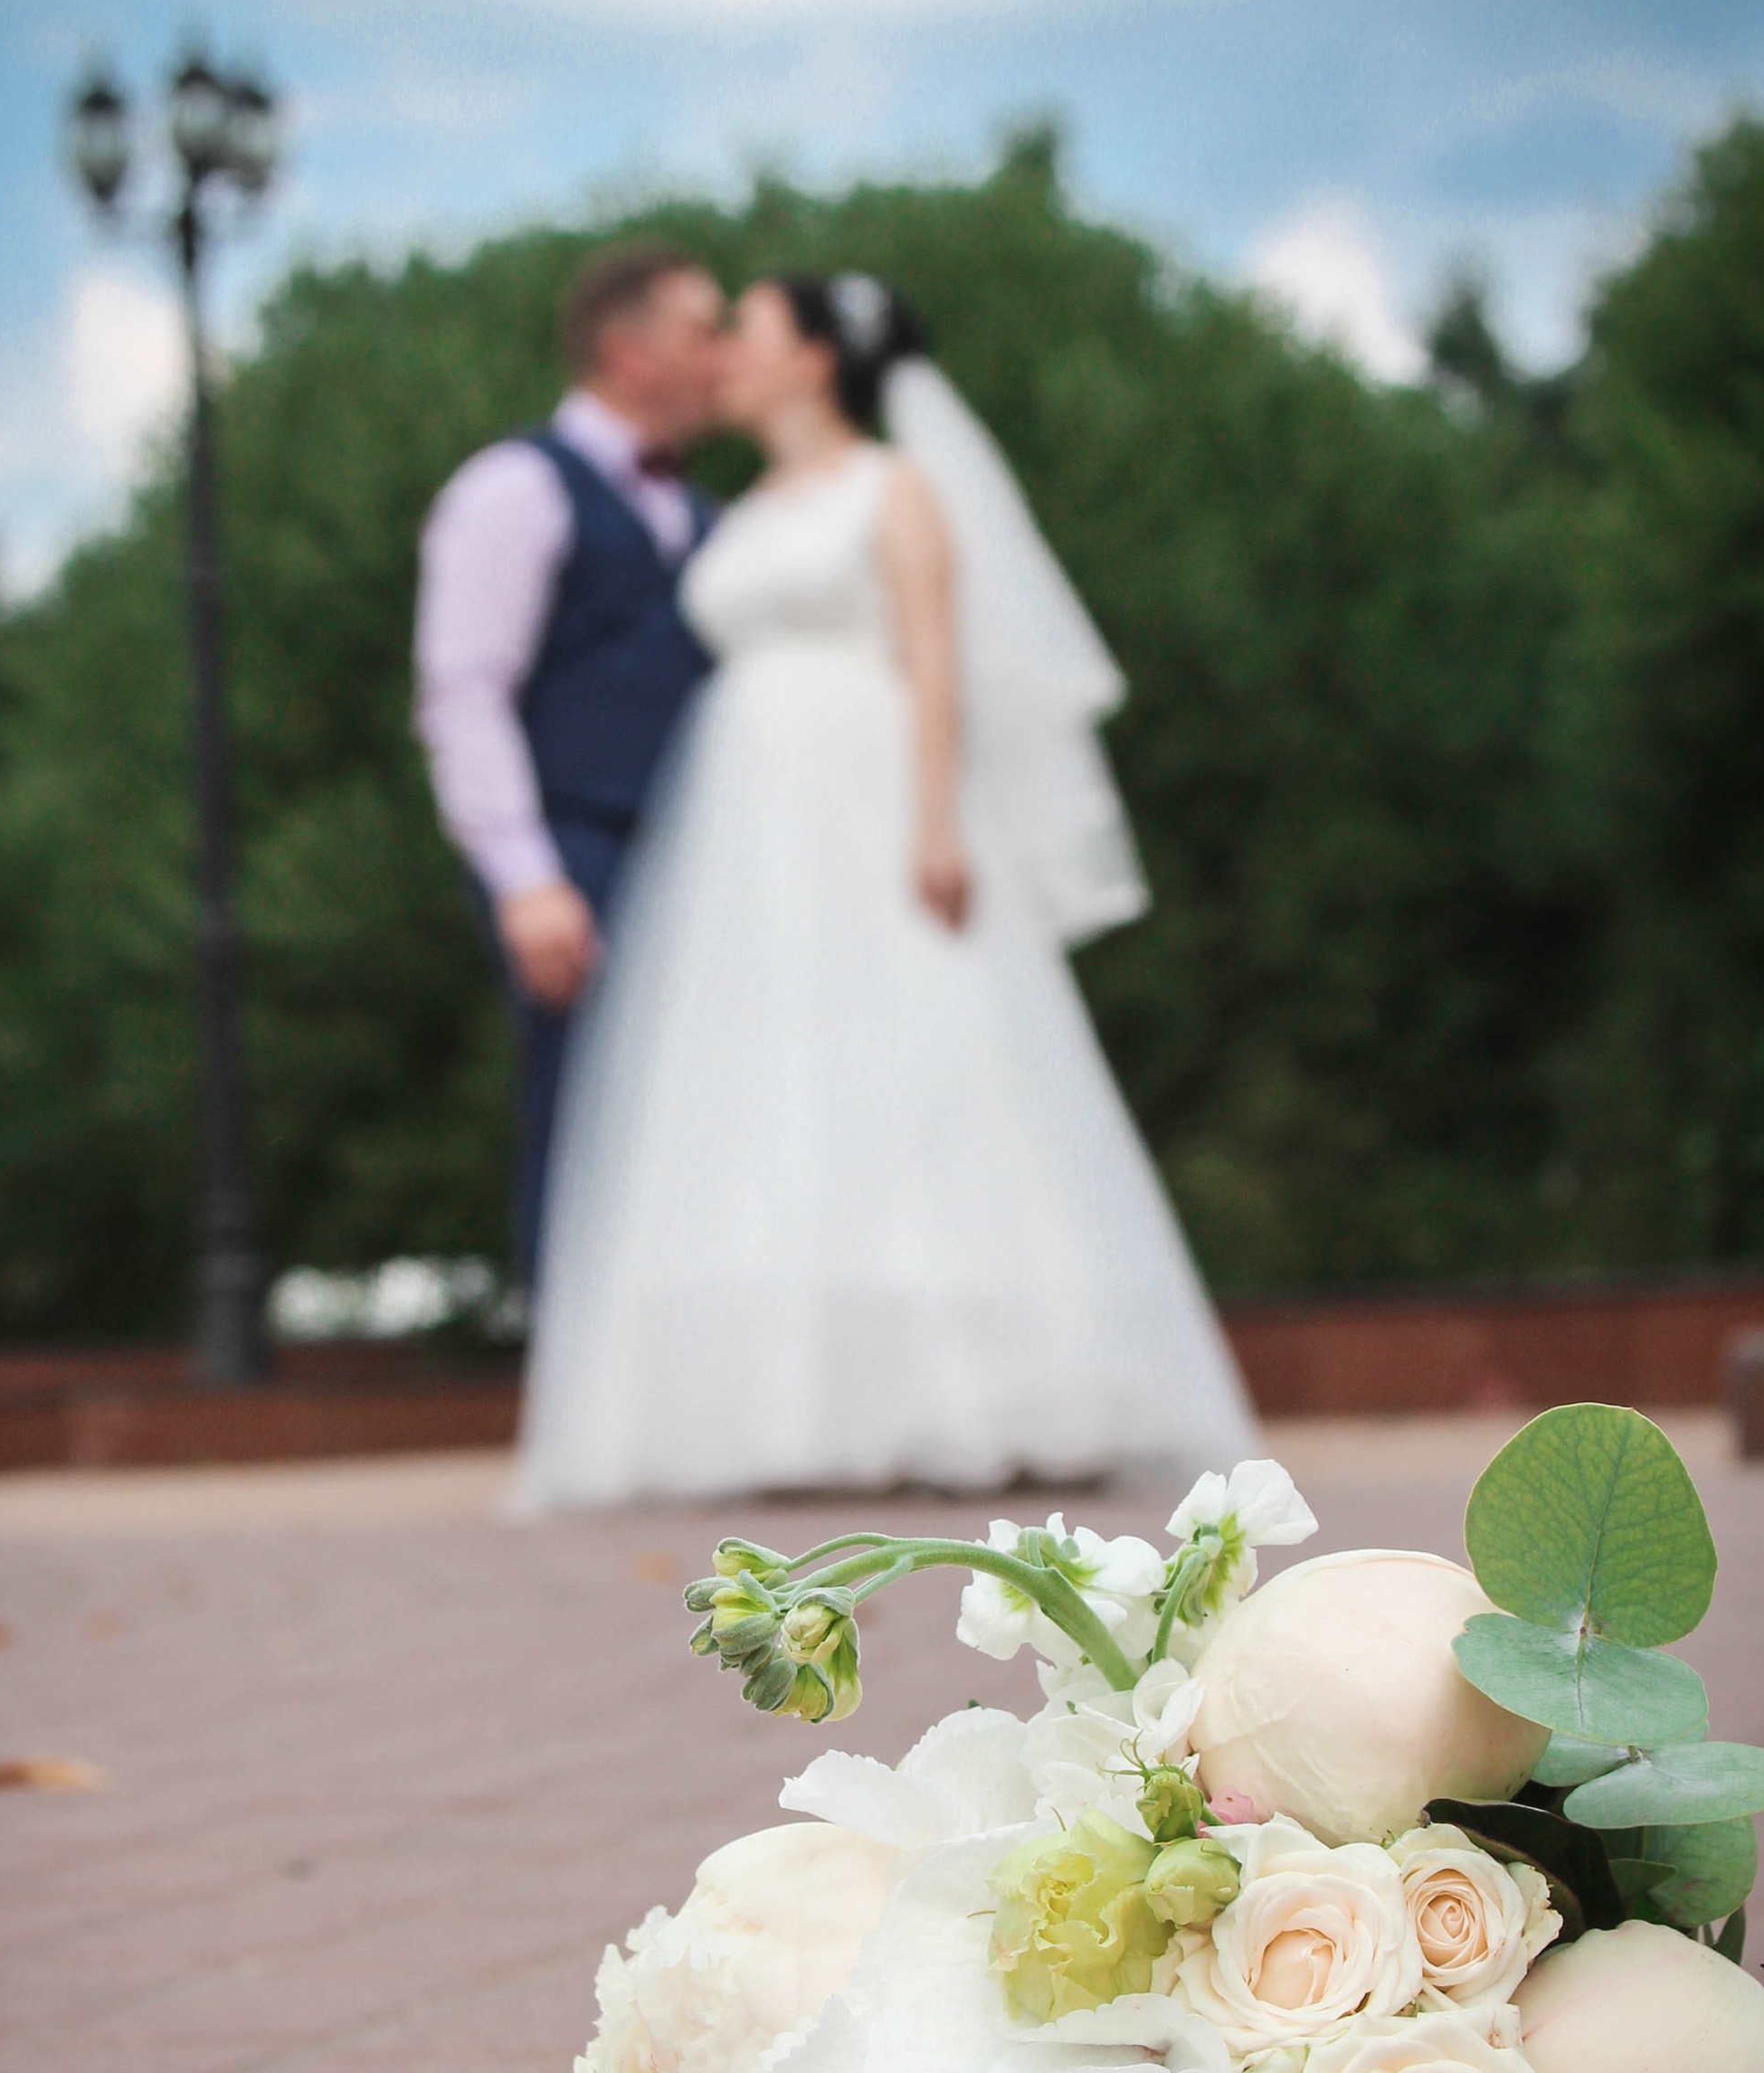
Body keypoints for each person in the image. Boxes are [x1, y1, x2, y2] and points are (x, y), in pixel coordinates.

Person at [514, 269, 1260, 1508]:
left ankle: (995, 1390)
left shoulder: (894, 490)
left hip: (868, 799)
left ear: (815, 358)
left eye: (745, 336)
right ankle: (779, 1405)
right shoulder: (740, 511)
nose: (724, 363)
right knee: (766, 1093)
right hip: (741, 832)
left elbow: (932, 660)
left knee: (925, 1072)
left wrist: (936, 825)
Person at [415, 241, 726, 1276]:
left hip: (706, 860)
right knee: (590, 1116)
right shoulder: (514, 487)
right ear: (628, 354)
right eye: (702, 332)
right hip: (577, 849)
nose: (722, 356)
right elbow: (465, 689)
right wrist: (525, 878)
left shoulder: (707, 517)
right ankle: (573, 1384)